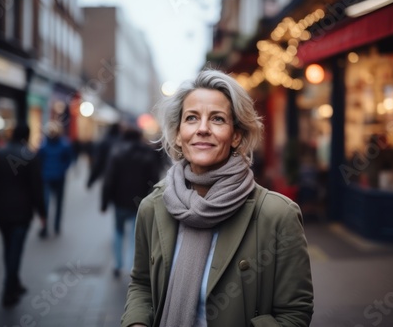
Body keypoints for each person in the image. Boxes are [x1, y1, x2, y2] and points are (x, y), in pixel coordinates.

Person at [121, 69, 314, 327]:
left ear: (236, 135)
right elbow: (142, 285)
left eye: (217, 119)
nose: (202, 129)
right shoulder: (153, 208)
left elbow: (295, 312)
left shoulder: (277, 215)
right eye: (191, 118)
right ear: (178, 133)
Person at [0, 123, 46, 307]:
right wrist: (42, 213)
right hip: (21, 212)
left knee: (8, 247)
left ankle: (14, 283)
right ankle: (9, 290)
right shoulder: (30, 155)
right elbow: (37, 188)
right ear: (26, 136)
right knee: (15, 251)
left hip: (0, 212)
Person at [101, 126, 160, 278]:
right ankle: (131, 266)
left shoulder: (116, 152)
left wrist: (105, 202)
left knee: (118, 231)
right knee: (135, 234)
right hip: (139, 202)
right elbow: (154, 180)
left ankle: (117, 264)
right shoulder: (147, 153)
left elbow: (109, 179)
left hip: (119, 201)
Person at [37, 121, 74, 237]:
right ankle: (55, 226)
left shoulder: (44, 144)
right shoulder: (64, 144)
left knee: (47, 203)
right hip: (56, 177)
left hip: (48, 177)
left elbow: (38, 160)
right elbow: (69, 160)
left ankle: (46, 227)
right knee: (57, 204)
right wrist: (62, 169)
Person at [87, 122, 122, 189]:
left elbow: (99, 161)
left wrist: (91, 180)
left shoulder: (105, 140)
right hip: (116, 171)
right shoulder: (120, 141)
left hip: (106, 168)